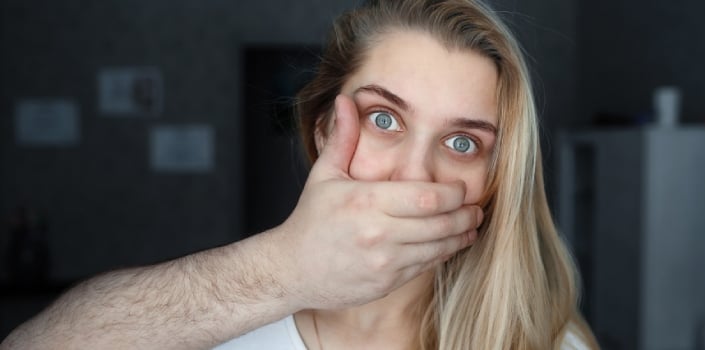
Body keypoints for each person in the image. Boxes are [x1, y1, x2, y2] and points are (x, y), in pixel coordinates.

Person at [2, 0, 597, 349]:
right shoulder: (214, 333)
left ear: (495, 183)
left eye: (462, 142)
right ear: (321, 131)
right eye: (384, 118)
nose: (415, 176)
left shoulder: (550, 343)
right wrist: (285, 269)